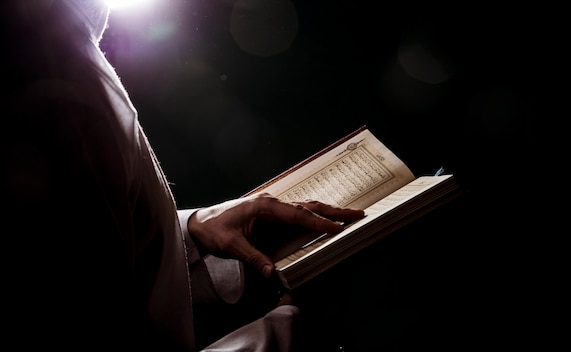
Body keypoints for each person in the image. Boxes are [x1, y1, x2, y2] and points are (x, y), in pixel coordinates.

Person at [0, 1, 364, 351]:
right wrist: (289, 328)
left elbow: (82, 251)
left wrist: (191, 231)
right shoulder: (46, 78)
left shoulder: (60, 44)